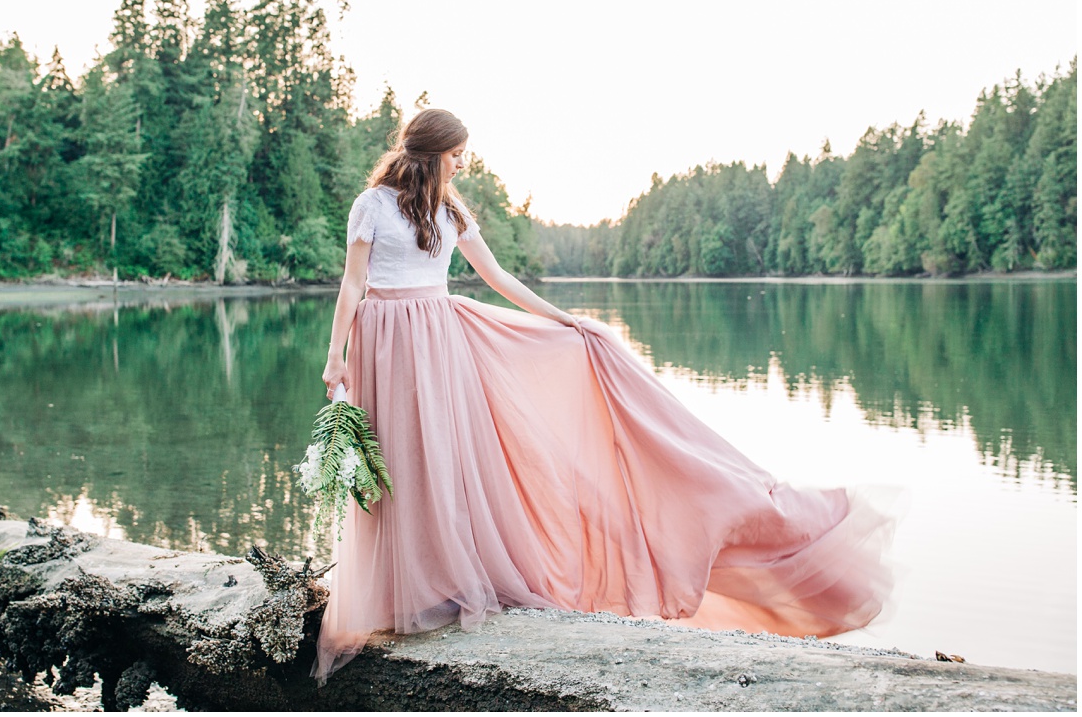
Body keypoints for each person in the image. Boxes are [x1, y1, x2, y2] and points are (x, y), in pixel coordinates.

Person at [314, 109, 892, 683]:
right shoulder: (372, 205)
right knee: (397, 457)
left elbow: (496, 278)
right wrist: (337, 354)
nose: (464, 161)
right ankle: (399, 589)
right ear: (434, 151)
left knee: (441, 456)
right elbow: (353, 283)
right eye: (458, 152)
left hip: (439, 336)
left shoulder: (452, 209)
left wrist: (564, 320)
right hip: (384, 338)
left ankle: (439, 582)